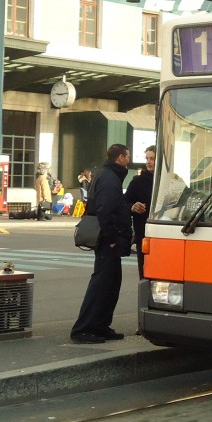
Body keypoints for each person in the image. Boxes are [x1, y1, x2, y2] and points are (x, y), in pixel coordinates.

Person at [70, 144, 134, 344]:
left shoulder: (107, 175)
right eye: (128, 156)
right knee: (101, 285)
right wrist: (113, 239)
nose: (129, 160)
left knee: (111, 284)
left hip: (109, 240)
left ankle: (100, 326)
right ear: (121, 157)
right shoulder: (108, 178)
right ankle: (83, 328)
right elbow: (105, 210)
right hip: (108, 242)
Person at [124, 144, 155, 280]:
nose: (148, 162)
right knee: (145, 273)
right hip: (144, 234)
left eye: (152, 158)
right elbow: (123, 203)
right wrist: (132, 207)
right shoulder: (138, 181)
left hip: (166, 233)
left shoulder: (172, 180)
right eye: (147, 158)